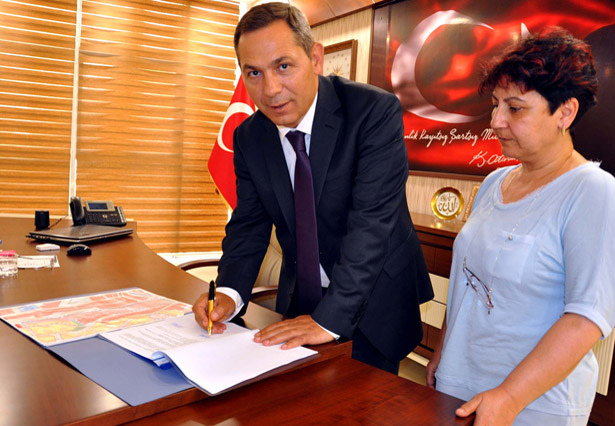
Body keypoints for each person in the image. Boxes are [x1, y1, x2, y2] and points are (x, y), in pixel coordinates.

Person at [192, 2, 432, 374]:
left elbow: (370, 226)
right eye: (253, 73)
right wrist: (229, 292)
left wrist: (329, 320)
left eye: (283, 66)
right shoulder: (249, 136)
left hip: (376, 297)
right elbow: (249, 225)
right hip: (301, 299)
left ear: (316, 58)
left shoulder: (373, 112)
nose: (271, 89)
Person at [426, 27, 615, 425]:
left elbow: (586, 317)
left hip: (531, 404)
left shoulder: (592, 191)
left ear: (565, 112)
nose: (496, 121)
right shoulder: (495, 182)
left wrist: (509, 397)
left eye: (515, 108)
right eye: (495, 105)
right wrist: (442, 352)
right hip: (459, 383)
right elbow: (468, 280)